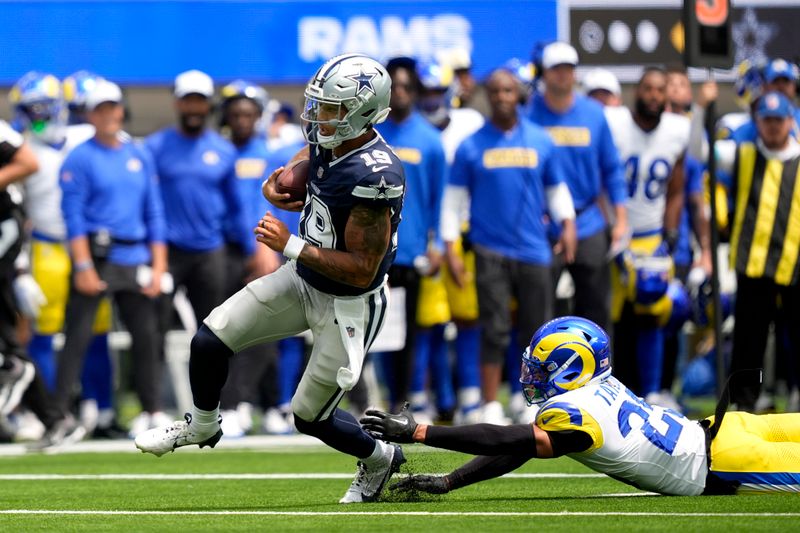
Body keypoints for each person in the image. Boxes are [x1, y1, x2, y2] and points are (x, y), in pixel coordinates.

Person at [135, 54, 407, 505]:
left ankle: (379, 456)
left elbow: (361, 267)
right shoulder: (331, 135)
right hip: (304, 280)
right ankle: (203, 424)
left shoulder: (375, 175)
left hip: (349, 302)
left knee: (309, 417)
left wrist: (289, 244)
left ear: (362, 112)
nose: (319, 117)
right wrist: (277, 181)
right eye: (317, 105)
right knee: (210, 338)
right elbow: (311, 152)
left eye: (331, 108)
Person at [361, 316, 800, 496]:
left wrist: (421, 432)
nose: (532, 374)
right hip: (726, 428)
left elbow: (509, 438)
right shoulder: (599, 387)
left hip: (726, 459)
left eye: (541, 365)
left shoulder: (574, 412)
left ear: (571, 366)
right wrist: (452, 480)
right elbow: (519, 447)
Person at [440, 68, 577, 425]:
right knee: (495, 328)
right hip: (489, 249)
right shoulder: (471, 145)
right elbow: (453, 202)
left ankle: (528, 399)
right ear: (488, 95)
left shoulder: (541, 139)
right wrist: (451, 249)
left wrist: (568, 224)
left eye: (508, 90)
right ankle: (489, 404)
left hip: (534, 249)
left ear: (518, 94)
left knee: (536, 330)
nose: (502, 97)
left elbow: (555, 189)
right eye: (496, 91)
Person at [55, 80, 169, 438]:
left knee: (147, 336)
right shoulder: (80, 157)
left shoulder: (138, 154)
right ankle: (58, 415)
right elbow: (72, 217)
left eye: (113, 107)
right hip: (98, 257)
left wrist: (159, 266)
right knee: (78, 336)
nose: (108, 115)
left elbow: (154, 213)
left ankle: (151, 409)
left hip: (135, 256)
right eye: (100, 109)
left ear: (121, 110)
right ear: (90, 114)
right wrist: (84, 265)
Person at [144, 70, 254, 433]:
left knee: (221, 332)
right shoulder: (156, 147)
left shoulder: (223, 150)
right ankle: (154, 409)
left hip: (212, 253)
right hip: (169, 253)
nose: (194, 107)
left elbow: (237, 207)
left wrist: (253, 250)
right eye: (188, 100)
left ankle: (230, 407)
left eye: (200, 101)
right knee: (153, 330)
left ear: (208, 106)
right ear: (177, 102)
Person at [527, 42, 628, 332]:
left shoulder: (594, 115)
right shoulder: (529, 115)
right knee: (540, 313)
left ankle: (599, 376)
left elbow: (612, 170)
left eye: (568, 69)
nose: (562, 75)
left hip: (588, 221)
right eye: (556, 69)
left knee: (597, 313)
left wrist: (620, 220)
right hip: (544, 226)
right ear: (544, 73)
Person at [604, 67, 689, 403]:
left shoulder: (679, 130)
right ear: (635, 91)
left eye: (660, 89)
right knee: (612, 317)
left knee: (652, 313)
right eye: (648, 88)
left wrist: (670, 231)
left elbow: (677, 187)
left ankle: (652, 392)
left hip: (651, 234)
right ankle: (612, 392)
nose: (654, 95)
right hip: (614, 231)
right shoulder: (613, 122)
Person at [714, 92, 800, 411]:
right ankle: (745, 403)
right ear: (757, 123)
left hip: (795, 265)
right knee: (750, 341)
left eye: (779, 120)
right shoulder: (740, 154)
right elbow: (697, 151)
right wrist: (705, 108)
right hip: (753, 265)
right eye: (767, 120)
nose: (774, 127)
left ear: (790, 121)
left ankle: (794, 394)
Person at [377, 56, 447, 415]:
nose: (400, 93)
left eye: (406, 86)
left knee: (408, 335)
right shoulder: (371, 133)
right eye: (395, 86)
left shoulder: (431, 140)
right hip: (371, 251)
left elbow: (440, 199)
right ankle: (372, 397)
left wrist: (437, 244)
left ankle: (401, 400)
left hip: (411, 250)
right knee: (373, 332)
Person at [417, 58, 485, 424]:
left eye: (434, 92)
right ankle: (433, 397)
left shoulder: (469, 125)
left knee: (468, 316)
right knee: (427, 321)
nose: (430, 100)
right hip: (424, 235)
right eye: (424, 92)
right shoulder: (410, 130)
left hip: (462, 232)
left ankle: (470, 395)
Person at [216, 80, 283, 436]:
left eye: (248, 114)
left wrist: (265, 249)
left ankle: (268, 403)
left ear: (258, 116)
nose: (241, 120)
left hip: (264, 252)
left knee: (267, 328)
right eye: (235, 113)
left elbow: (273, 204)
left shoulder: (271, 154)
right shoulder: (220, 152)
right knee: (232, 328)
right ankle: (237, 401)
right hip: (227, 252)